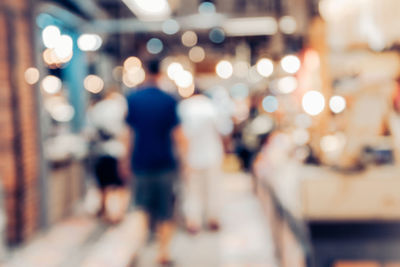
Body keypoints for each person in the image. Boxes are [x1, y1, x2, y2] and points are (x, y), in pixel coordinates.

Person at [125, 59, 186, 265]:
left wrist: (125, 160)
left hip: (140, 162)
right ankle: (163, 252)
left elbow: (129, 134)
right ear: (160, 74)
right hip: (164, 163)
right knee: (165, 209)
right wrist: (184, 161)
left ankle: (136, 248)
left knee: (140, 207)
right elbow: (178, 134)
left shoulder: (133, 99)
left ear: (144, 73)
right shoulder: (169, 100)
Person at [178, 90, 225, 233]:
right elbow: (222, 130)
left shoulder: (183, 107)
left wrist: (182, 157)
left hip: (191, 156)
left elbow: (181, 135)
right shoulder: (212, 106)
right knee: (212, 187)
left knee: (192, 190)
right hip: (212, 154)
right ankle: (213, 218)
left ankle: (193, 221)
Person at [87, 90, 128, 222]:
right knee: (120, 185)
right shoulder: (120, 107)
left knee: (103, 185)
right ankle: (118, 213)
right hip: (118, 151)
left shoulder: (96, 109)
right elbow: (126, 131)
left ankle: (105, 211)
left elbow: (89, 132)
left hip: (101, 151)